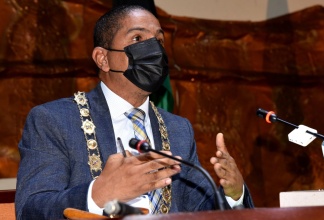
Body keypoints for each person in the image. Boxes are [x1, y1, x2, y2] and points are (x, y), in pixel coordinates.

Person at [15, 5, 254, 219]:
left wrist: (234, 194)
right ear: (103, 59)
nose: (154, 50)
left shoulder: (178, 129)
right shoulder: (53, 120)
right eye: (138, 38)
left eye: (159, 41)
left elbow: (200, 211)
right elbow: (30, 210)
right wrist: (98, 195)